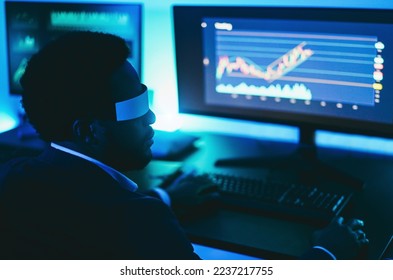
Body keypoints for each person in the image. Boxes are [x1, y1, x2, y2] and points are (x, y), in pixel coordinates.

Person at [0, 31, 368, 260]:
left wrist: (166, 199)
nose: (152, 119)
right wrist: (329, 252)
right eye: (137, 106)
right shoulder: (137, 221)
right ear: (88, 131)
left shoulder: (12, 180)